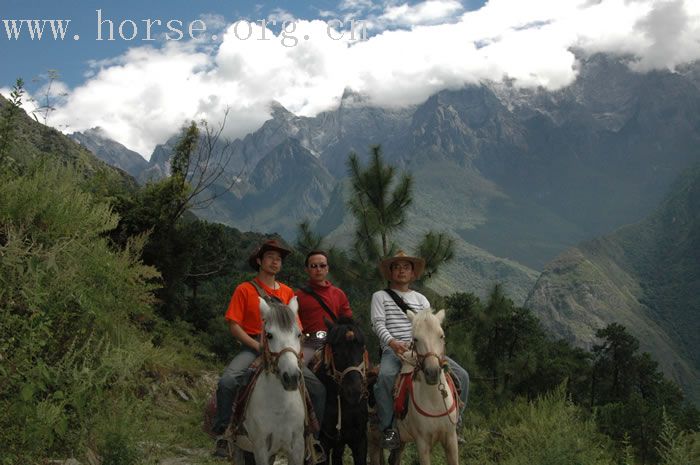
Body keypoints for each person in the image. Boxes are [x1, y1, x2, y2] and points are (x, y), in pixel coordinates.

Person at [212, 239, 326, 458]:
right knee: (229, 380)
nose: (275, 262)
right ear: (259, 261)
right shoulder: (245, 289)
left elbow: (297, 328)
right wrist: (257, 345)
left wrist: (296, 350)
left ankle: (313, 438)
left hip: (285, 349)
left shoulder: (286, 293)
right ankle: (224, 433)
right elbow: (233, 324)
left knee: (318, 390)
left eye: (279, 259)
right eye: (270, 258)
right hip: (254, 345)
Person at [370, 251, 470, 450]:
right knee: (385, 378)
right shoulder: (379, 296)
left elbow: (430, 327)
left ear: (413, 273)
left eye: (406, 267)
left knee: (463, 376)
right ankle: (390, 429)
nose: (401, 271)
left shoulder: (422, 299)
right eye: (396, 267)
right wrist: (392, 343)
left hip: (423, 350)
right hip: (394, 350)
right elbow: (377, 324)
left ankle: (456, 423)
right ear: (390, 273)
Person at [296, 250, 353, 365]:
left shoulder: (338, 293)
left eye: (322, 265)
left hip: (335, 341)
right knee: (299, 369)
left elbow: (348, 321)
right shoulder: (298, 296)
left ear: (327, 268)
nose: (318, 269)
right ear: (307, 270)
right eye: (313, 266)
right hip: (310, 343)